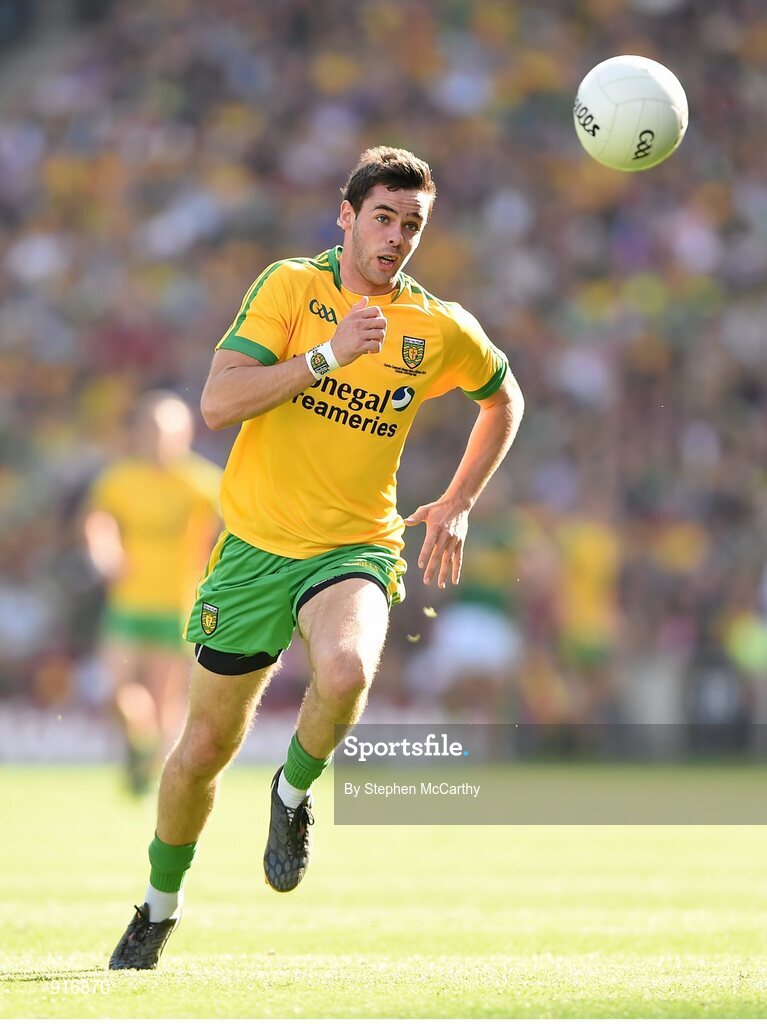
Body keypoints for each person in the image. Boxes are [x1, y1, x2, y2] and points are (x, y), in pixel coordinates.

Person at [108, 146, 524, 970]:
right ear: (346, 215)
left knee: (346, 672)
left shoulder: (437, 326)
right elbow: (219, 403)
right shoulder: (289, 287)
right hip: (253, 552)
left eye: (412, 225)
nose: (397, 236)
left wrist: (457, 502)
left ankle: (293, 792)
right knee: (199, 753)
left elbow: (503, 397)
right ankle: (158, 907)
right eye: (383, 218)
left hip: (355, 545)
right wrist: (328, 356)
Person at [84, 390, 222, 794]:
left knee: (166, 702)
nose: (160, 441)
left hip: (177, 606)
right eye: (153, 430)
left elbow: (231, 526)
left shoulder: (200, 482)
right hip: (128, 602)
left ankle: (152, 776)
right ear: (140, 433)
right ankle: (140, 743)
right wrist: (104, 550)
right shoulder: (121, 479)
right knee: (116, 693)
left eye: (169, 432)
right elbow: (98, 520)